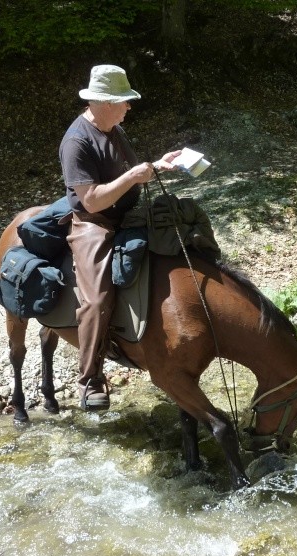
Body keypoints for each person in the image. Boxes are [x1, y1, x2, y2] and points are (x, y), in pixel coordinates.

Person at [60, 64, 180, 410]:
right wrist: (132, 177)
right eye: (123, 101)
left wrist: (157, 164)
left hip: (128, 214)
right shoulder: (77, 142)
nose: (129, 107)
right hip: (94, 222)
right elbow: (92, 199)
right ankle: (90, 378)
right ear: (103, 102)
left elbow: (129, 174)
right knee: (96, 299)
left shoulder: (114, 128)